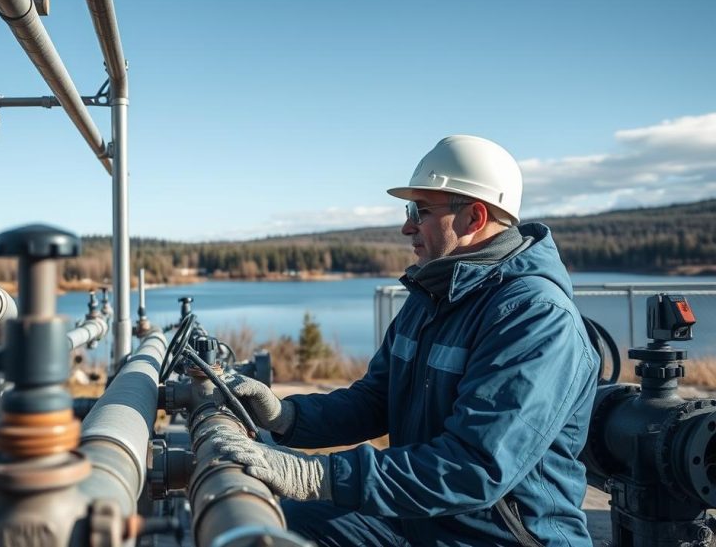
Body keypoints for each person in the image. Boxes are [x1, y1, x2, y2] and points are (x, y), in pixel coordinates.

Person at [216, 135, 599, 546]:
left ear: (474, 217)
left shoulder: (534, 316)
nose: (407, 226)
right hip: (421, 520)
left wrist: (314, 475)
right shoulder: (432, 296)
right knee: (289, 521)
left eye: (421, 210)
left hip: (498, 536)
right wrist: (285, 417)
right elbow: (376, 399)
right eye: (408, 210)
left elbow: (473, 467)